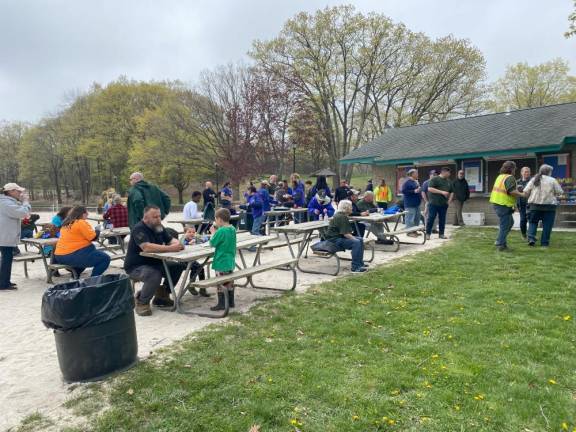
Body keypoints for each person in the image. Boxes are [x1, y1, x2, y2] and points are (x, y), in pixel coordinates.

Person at [124, 206, 186, 316]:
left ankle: (162, 295)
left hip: (156, 262)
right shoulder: (139, 228)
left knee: (178, 266)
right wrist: (170, 248)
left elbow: (170, 239)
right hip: (136, 266)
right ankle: (142, 302)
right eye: (155, 217)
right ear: (146, 217)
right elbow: (146, 247)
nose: (158, 219)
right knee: (153, 274)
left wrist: (178, 244)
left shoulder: (159, 227)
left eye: (159, 216)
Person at [53, 206, 111, 278]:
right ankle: (93, 279)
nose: (88, 214)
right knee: (105, 259)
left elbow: (77, 235)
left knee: (85, 259)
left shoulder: (66, 223)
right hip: (73, 255)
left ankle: (75, 277)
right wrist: (98, 230)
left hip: (60, 256)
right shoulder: (80, 222)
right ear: (82, 214)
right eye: (86, 212)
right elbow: (93, 237)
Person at [523, 164, 563, 247]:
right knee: (547, 225)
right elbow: (560, 192)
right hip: (549, 207)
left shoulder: (534, 179)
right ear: (549, 172)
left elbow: (526, 190)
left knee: (533, 223)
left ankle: (531, 239)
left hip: (534, 206)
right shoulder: (552, 180)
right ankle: (544, 243)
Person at [0, 183, 31, 290]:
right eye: (18, 191)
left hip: (5, 235)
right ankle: (3, 284)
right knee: (6, 258)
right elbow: (22, 213)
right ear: (11, 191)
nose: (20, 193)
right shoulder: (5, 203)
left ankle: (4, 281)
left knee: (7, 258)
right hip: (4, 236)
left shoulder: (6, 201)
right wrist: (25, 202)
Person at [489, 161, 524, 251]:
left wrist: (516, 188)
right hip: (503, 204)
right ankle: (500, 243)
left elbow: (506, 188)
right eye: (514, 169)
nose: (515, 171)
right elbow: (511, 191)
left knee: (509, 223)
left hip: (497, 203)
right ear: (511, 169)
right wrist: (522, 194)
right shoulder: (510, 177)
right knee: (505, 225)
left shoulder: (500, 176)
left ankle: (502, 243)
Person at [325, 200, 366, 273]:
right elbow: (346, 234)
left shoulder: (341, 215)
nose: (352, 209)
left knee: (360, 239)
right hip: (333, 240)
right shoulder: (341, 217)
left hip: (338, 237)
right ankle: (355, 267)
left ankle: (360, 263)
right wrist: (354, 239)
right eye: (351, 207)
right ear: (346, 208)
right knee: (356, 242)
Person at [208, 208, 237, 311]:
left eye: (216, 220)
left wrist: (213, 233)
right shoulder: (232, 228)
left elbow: (212, 243)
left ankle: (222, 303)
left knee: (220, 283)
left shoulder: (221, 231)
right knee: (229, 281)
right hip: (230, 259)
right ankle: (231, 301)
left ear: (219, 219)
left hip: (221, 260)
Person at [426, 167, 454, 240]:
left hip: (443, 204)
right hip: (433, 203)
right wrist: (442, 192)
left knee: (442, 219)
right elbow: (429, 189)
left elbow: (452, 192)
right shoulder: (435, 179)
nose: (450, 174)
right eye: (449, 173)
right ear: (444, 172)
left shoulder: (449, 181)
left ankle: (441, 234)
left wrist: (449, 201)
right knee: (431, 218)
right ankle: (428, 234)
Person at [401, 169, 422, 236]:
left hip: (417, 203)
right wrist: (414, 191)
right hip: (410, 204)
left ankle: (414, 231)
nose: (417, 174)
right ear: (412, 174)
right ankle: (409, 232)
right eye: (416, 173)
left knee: (417, 218)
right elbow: (404, 191)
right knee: (410, 218)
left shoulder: (415, 182)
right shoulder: (407, 182)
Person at [516, 166, 532, 240]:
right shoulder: (517, 182)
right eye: (525, 171)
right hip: (521, 204)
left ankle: (531, 235)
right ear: (521, 173)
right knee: (523, 220)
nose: (527, 173)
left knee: (531, 219)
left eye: (528, 171)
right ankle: (523, 234)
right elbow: (513, 193)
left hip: (531, 203)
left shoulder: (532, 181)